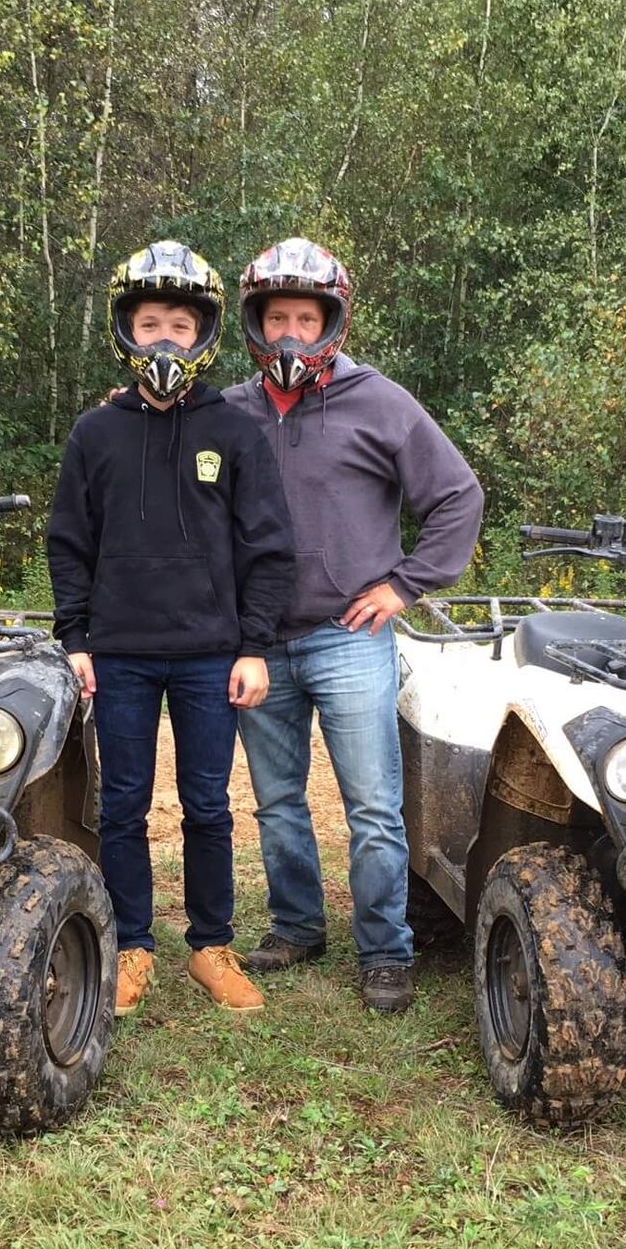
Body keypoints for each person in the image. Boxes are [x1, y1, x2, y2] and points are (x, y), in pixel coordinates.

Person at [224, 237, 483, 1013]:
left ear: (332, 320)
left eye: (308, 316)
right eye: (278, 318)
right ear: (256, 324)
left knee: (372, 805)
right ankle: (297, 927)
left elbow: (458, 496)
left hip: (350, 637)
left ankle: (385, 951)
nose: (292, 334)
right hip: (259, 643)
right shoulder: (230, 411)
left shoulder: (382, 402)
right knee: (277, 801)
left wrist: (404, 584)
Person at [46, 240, 296, 1017]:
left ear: (203, 335)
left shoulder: (235, 430)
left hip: (209, 654)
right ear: (125, 330)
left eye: (178, 326)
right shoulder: (96, 432)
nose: (163, 340)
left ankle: (212, 948)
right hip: (118, 654)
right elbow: (68, 543)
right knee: (122, 804)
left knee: (208, 805)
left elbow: (268, 546)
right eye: (148, 322)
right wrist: (76, 638)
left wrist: (254, 644)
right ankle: (132, 948)